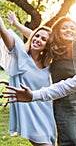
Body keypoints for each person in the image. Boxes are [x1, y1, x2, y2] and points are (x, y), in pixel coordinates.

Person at [7, 13, 76, 146]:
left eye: (72, 28)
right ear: (57, 33)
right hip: (62, 100)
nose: (69, 30)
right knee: (69, 137)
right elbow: (34, 36)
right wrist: (16, 24)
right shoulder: (55, 50)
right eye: (64, 28)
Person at [0, 15, 56, 145]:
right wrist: (11, 25)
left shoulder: (48, 63)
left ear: (47, 45)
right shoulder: (20, 55)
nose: (37, 39)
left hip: (45, 111)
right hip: (30, 112)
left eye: (43, 39)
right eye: (36, 36)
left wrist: (17, 24)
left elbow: (38, 38)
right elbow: (3, 30)